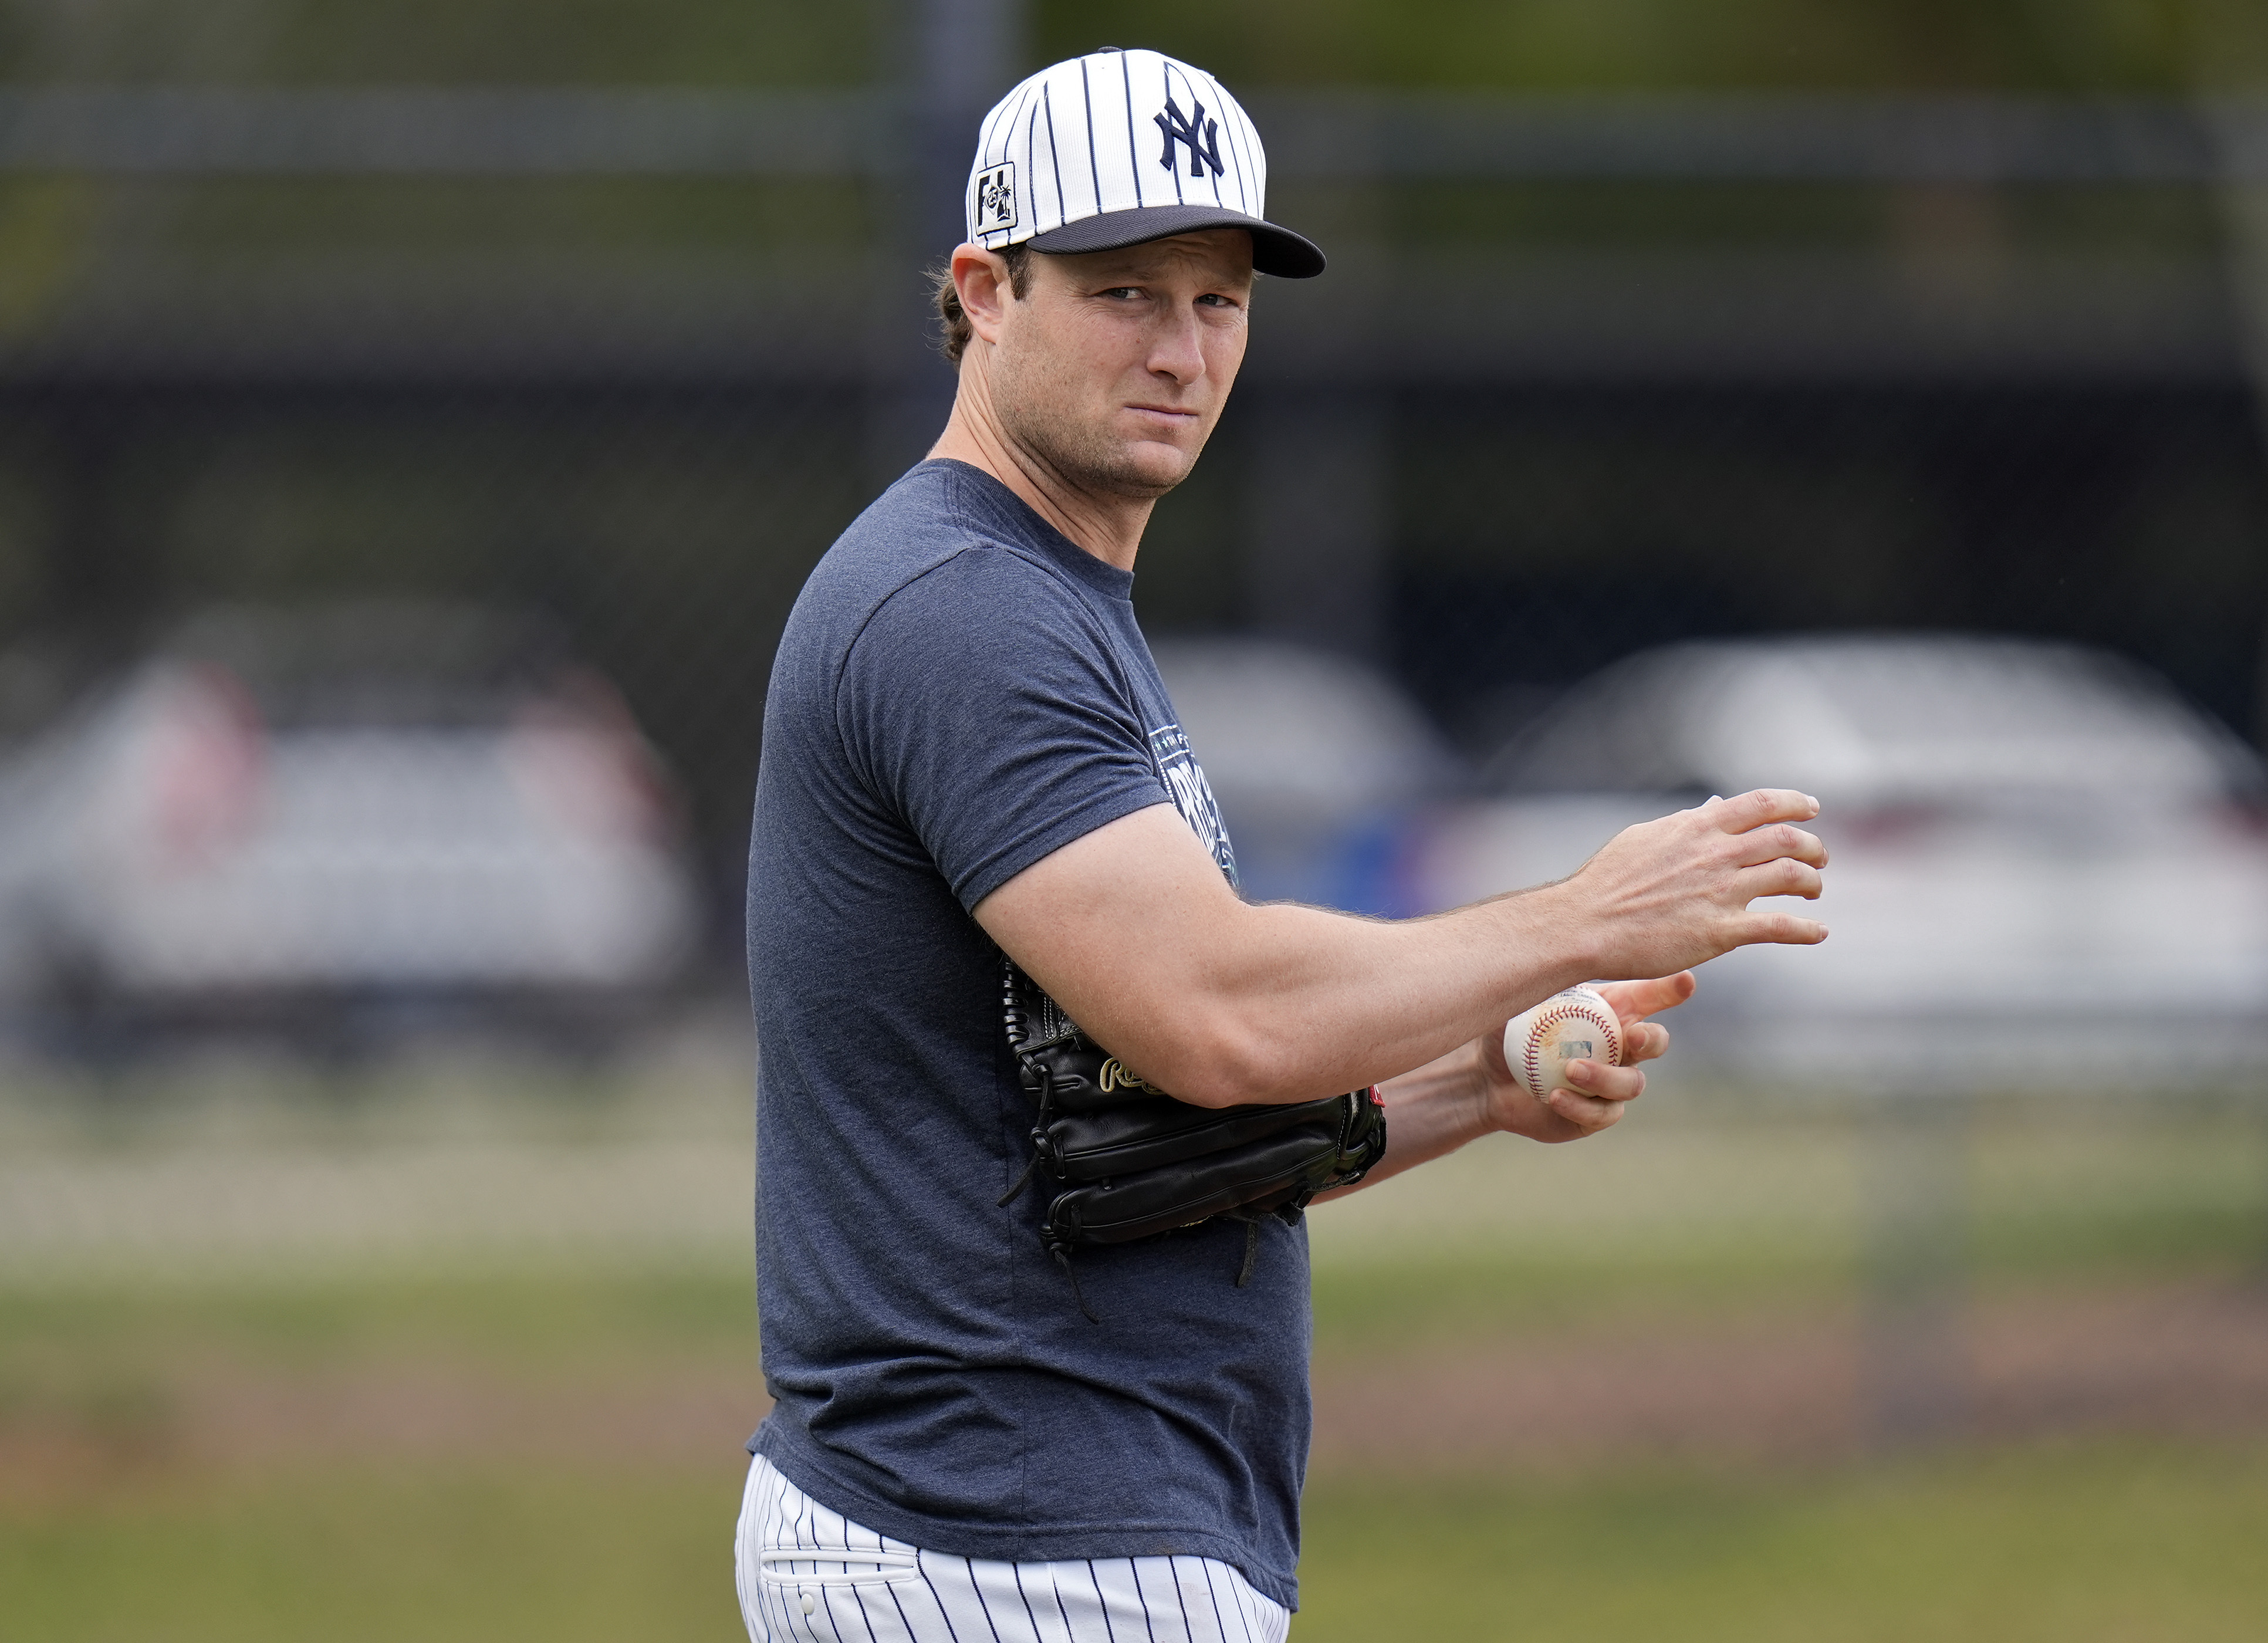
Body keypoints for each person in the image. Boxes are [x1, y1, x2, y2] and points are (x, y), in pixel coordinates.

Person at [735, 46, 1827, 1643]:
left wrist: (1474, 1090)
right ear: (984, 287)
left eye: (1220, 299)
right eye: (1124, 293)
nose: (1181, 348)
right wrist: (1591, 917)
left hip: (1020, 1527)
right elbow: (1222, 1015)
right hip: (1011, 1542)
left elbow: (1116, 1131)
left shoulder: (1033, 596)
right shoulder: (963, 611)